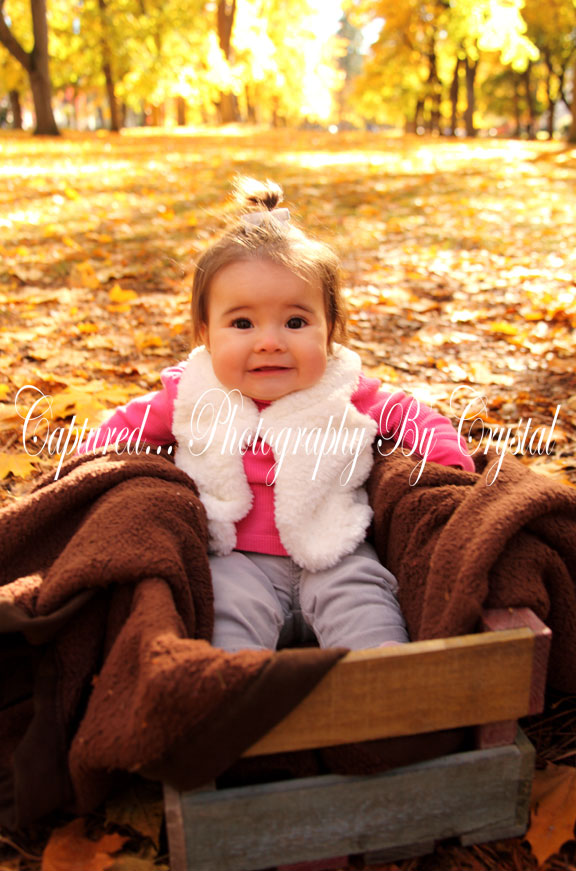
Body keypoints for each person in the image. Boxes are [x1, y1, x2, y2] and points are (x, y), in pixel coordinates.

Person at [84, 177, 475, 653]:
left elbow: (414, 417)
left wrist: (450, 464)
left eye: (295, 322)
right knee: (223, 619)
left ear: (329, 329)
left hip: (336, 550)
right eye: (242, 323)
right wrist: (85, 472)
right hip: (233, 558)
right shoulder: (192, 392)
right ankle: (239, 686)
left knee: (368, 606)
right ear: (205, 332)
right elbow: (120, 431)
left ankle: (383, 686)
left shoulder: (343, 388)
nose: (270, 342)